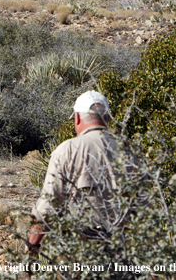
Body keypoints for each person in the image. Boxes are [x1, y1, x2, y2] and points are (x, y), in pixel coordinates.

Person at [26, 90, 130, 254]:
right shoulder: (128, 151)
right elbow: (144, 206)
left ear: (77, 118)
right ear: (108, 118)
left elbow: (48, 207)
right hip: (122, 250)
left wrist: (33, 246)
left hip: (81, 250)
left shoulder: (67, 150)